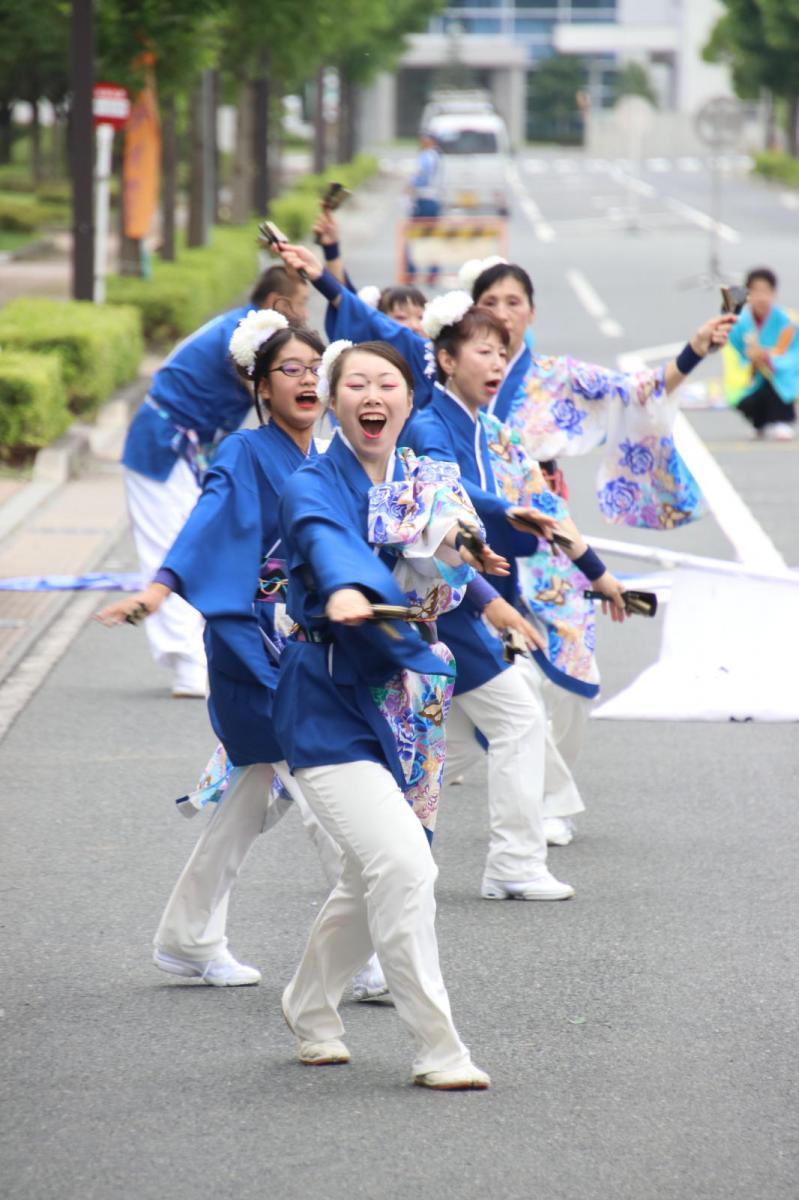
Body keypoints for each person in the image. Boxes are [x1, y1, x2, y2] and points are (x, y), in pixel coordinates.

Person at [98, 317, 353, 989]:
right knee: (332, 804)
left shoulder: (329, 456)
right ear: (260, 386)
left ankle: (188, 938)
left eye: (315, 369)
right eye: (290, 370)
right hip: (253, 646)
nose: (306, 380)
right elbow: (206, 521)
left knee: (246, 801)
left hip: (307, 647)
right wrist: (158, 589)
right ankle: (362, 955)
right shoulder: (243, 452)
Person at [275, 338, 501, 1088]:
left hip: (405, 699)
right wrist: (346, 587)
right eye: (357, 384)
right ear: (333, 400)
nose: (372, 396)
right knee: (404, 864)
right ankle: (439, 1047)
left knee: (374, 872)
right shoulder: (311, 481)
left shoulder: (421, 480)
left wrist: (472, 545)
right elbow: (324, 537)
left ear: (409, 400)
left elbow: (452, 526)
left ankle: (309, 1006)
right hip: (326, 700)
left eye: (387, 384)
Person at [405, 299, 618, 890]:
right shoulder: (429, 425)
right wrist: (504, 511)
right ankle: (514, 864)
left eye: (503, 352)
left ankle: (354, 829)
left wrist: (596, 572)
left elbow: (542, 505)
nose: (498, 362)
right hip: (443, 604)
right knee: (517, 719)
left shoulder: (493, 432)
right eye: (483, 351)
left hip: (472, 601)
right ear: (447, 360)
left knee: (447, 743)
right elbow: (448, 491)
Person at [121, 264, 310, 698]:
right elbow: (271, 397)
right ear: (273, 303)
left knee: (200, 538)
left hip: (192, 445)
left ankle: (195, 656)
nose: (302, 312)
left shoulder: (245, 331)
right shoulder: (243, 338)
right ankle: (187, 663)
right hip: (162, 444)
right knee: (171, 544)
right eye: (299, 302)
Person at [726, 267, 798, 441]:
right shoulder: (739, 324)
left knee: (777, 384)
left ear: (774, 294)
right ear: (747, 295)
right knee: (748, 397)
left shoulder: (786, 323)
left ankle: (782, 420)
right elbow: (735, 356)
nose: (761, 297)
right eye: (755, 291)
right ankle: (759, 422)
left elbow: (792, 356)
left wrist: (766, 357)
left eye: (765, 291)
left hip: (777, 376)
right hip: (752, 379)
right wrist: (750, 359)